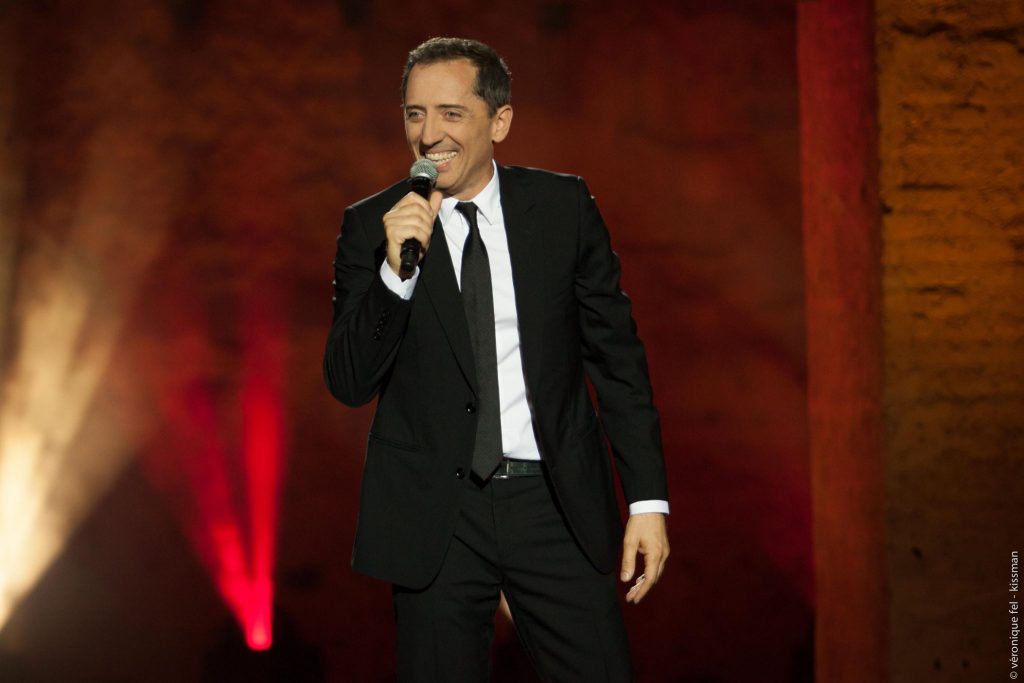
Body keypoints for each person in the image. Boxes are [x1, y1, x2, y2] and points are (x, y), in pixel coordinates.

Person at [323, 36, 669, 682]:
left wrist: (647, 500)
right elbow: (347, 380)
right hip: (438, 515)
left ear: (499, 121)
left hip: (554, 502)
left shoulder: (562, 209)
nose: (429, 134)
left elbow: (617, 359)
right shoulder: (373, 227)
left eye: (451, 113)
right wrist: (395, 276)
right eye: (415, 113)